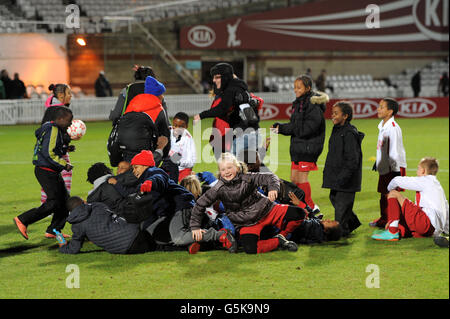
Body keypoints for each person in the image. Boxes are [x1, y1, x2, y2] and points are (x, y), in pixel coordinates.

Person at [190, 152, 306, 254]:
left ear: (237, 167)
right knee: (250, 249)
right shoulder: (218, 188)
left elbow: (271, 177)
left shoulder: (248, 178)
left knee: (299, 213)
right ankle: (279, 241)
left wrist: (273, 189)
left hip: (267, 211)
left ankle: (283, 235)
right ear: (220, 172)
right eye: (223, 169)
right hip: (246, 223)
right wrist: (195, 227)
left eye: (229, 168)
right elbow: (200, 204)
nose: (226, 172)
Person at [13, 106, 74, 240]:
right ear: (60, 119)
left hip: (48, 169)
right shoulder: (53, 129)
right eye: (69, 121)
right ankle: (23, 219)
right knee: (53, 202)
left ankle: (54, 230)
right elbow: (48, 153)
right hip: (45, 170)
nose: (70, 124)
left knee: (65, 201)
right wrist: (65, 165)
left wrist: (66, 148)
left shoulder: (51, 128)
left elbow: (51, 148)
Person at [271, 75, 328, 213]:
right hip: (299, 146)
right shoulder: (299, 103)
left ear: (308, 88)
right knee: (294, 179)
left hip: (308, 147)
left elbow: (306, 129)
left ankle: (310, 207)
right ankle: (302, 206)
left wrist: (283, 129)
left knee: (302, 179)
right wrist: (281, 127)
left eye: (299, 87)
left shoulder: (313, 105)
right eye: (295, 87)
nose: (295, 90)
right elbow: (296, 125)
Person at [193, 63, 262, 158]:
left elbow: (221, 109)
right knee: (251, 167)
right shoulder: (241, 88)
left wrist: (201, 115)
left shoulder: (230, 90)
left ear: (226, 77)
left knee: (232, 166)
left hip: (240, 135)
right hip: (253, 133)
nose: (213, 80)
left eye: (217, 77)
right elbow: (258, 102)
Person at [372, 157, 449, 241]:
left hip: (426, 224)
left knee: (394, 194)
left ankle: (392, 232)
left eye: (418, 168)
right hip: (433, 231)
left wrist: (389, 191)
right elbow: (446, 210)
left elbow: (396, 180)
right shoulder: (438, 186)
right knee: (405, 219)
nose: (417, 171)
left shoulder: (425, 180)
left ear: (423, 171)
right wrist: (447, 230)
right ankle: (398, 229)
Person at [322, 101, 364, 237]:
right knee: (334, 198)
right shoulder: (337, 130)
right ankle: (351, 224)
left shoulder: (349, 133)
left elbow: (352, 159)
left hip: (346, 180)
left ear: (345, 116)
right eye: (332, 113)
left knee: (341, 208)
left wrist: (343, 178)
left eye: (336, 113)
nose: (332, 116)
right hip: (337, 176)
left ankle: (342, 234)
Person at [58, 196, 156, 254]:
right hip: (135, 233)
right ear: (84, 202)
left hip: (124, 248)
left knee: (155, 246)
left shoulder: (76, 225)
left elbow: (74, 249)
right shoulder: (96, 206)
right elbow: (115, 216)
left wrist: (62, 246)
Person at [370, 98, 407, 228]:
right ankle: (384, 219)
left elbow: (394, 150)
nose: (378, 109)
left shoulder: (392, 128)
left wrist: (395, 171)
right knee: (383, 193)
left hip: (393, 166)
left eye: (382, 107)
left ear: (390, 111)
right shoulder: (383, 126)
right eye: (379, 106)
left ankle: (395, 222)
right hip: (385, 165)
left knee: (392, 194)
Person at [116, 75, 171, 162]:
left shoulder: (133, 103)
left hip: (125, 149)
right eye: (161, 94)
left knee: (129, 173)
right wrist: (163, 154)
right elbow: (165, 135)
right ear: (158, 95)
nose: (163, 97)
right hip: (144, 151)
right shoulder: (158, 108)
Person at [40, 84, 74, 204]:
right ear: (60, 95)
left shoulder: (51, 109)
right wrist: (68, 137)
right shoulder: (60, 111)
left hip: (52, 151)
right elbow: (55, 132)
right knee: (64, 174)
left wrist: (66, 145)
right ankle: (64, 204)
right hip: (54, 153)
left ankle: (46, 203)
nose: (71, 96)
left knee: (49, 178)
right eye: (69, 93)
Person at [168, 112, 197, 182]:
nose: (177, 128)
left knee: (187, 184)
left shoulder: (188, 139)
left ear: (186, 126)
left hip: (182, 169)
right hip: (168, 167)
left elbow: (192, 161)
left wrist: (179, 162)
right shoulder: (167, 132)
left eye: (181, 127)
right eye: (175, 125)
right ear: (172, 123)